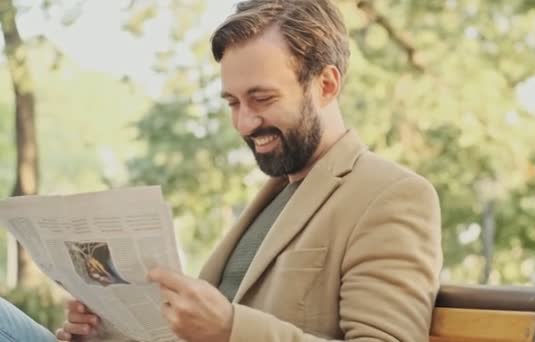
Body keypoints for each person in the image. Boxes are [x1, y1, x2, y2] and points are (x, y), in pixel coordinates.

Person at [0, 1, 442, 341]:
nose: (244, 123)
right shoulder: (273, 196)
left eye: (262, 99)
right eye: (232, 102)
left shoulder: (391, 196)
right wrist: (107, 331)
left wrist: (230, 328)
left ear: (326, 84)